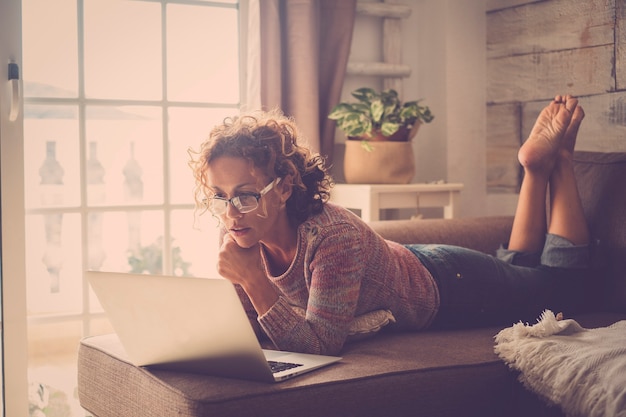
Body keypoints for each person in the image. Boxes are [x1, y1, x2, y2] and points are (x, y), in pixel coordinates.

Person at [189, 95, 589, 356]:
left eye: (245, 194)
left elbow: (322, 343)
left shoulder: (333, 237)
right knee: (521, 268)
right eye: (219, 196)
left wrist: (254, 283)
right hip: (413, 265)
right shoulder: (242, 229)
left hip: (454, 285)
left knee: (562, 288)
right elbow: (250, 328)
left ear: (285, 186)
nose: (230, 213)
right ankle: (536, 171)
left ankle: (562, 161)